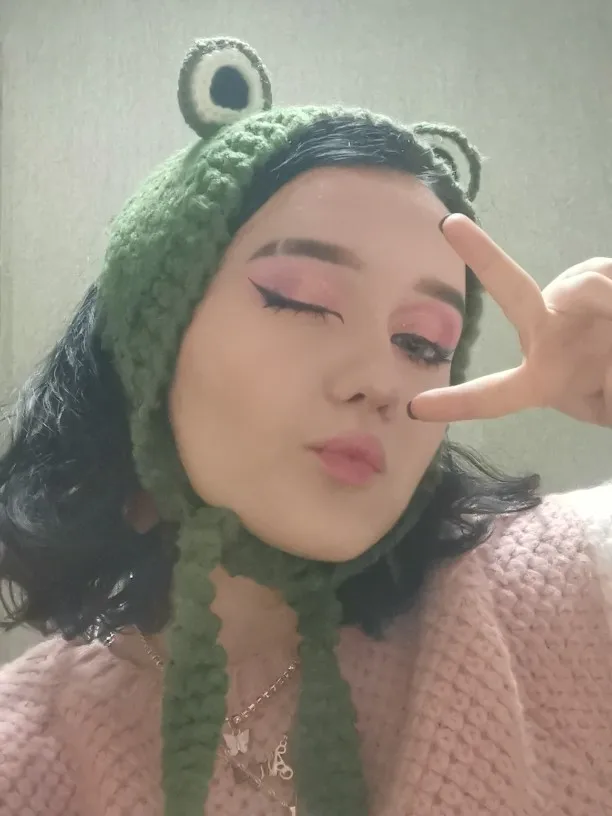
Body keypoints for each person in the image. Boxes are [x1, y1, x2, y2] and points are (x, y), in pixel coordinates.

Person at [0, 35, 610, 816]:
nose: (380, 381)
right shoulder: (28, 760)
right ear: (148, 341)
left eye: (424, 344)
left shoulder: (565, 593)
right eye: (302, 301)